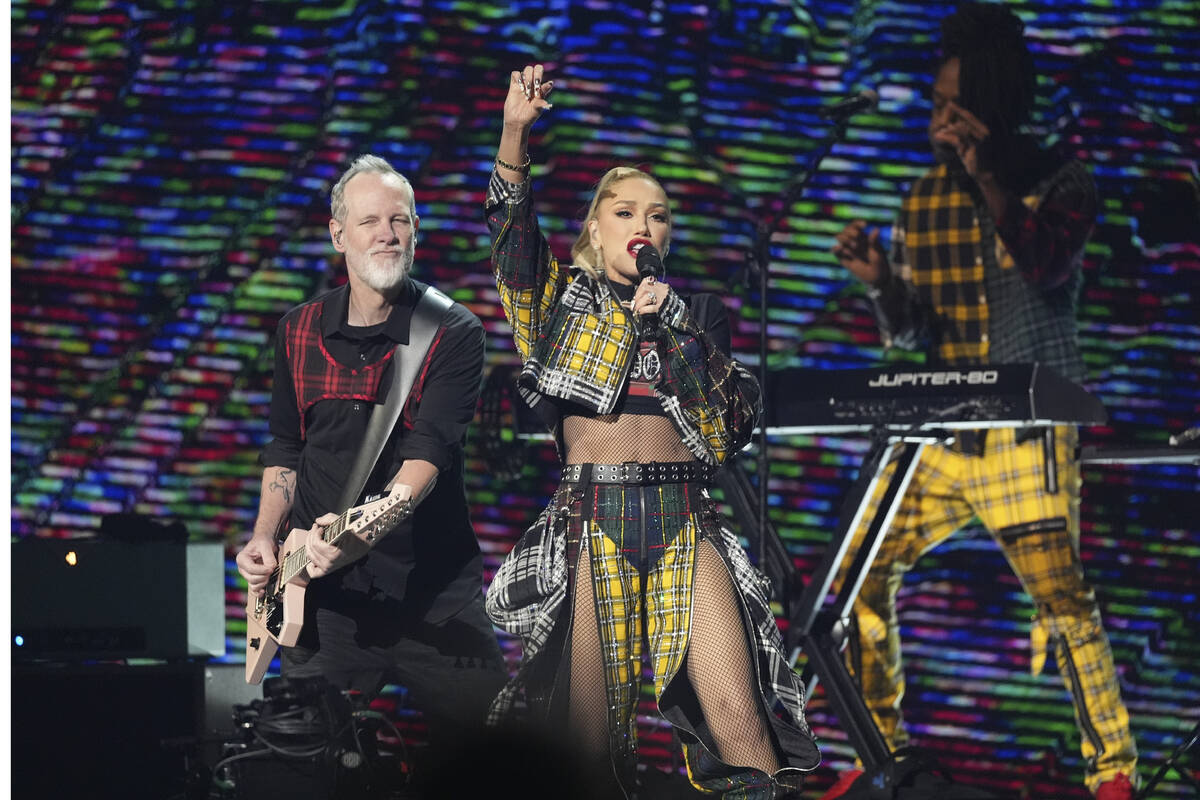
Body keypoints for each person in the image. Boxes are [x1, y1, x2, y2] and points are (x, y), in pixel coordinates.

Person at [482, 64, 821, 799]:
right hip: (591, 519)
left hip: (685, 520)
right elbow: (511, 242)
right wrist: (515, 132)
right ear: (595, 227)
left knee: (738, 715)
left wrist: (672, 329)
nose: (645, 225)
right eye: (627, 211)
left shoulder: (696, 313)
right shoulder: (557, 308)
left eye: (659, 214)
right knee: (593, 740)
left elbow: (726, 433)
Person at [825, 4, 1137, 799]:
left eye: (953, 106)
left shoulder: (1056, 180)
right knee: (858, 575)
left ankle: (1114, 776)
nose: (939, 120)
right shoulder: (922, 201)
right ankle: (880, 759)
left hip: (1021, 432)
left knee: (1062, 600)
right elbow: (911, 335)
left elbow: (1042, 265)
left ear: (992, 107)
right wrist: (882, 284)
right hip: (942, 432)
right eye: (935, 106)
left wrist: (987, 172)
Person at [235, 154, 506, 774]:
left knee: (496, 768)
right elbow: (285, 447)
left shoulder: (452, 331)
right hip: (323, 602)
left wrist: (358, 535)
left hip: (435, 597)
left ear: (416, 232)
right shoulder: (297, 330)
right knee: (306, 772)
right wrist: (264, 538)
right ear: (338, 235)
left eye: (400, 221)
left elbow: (428, 454)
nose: (386, 233)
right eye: (369, 222)